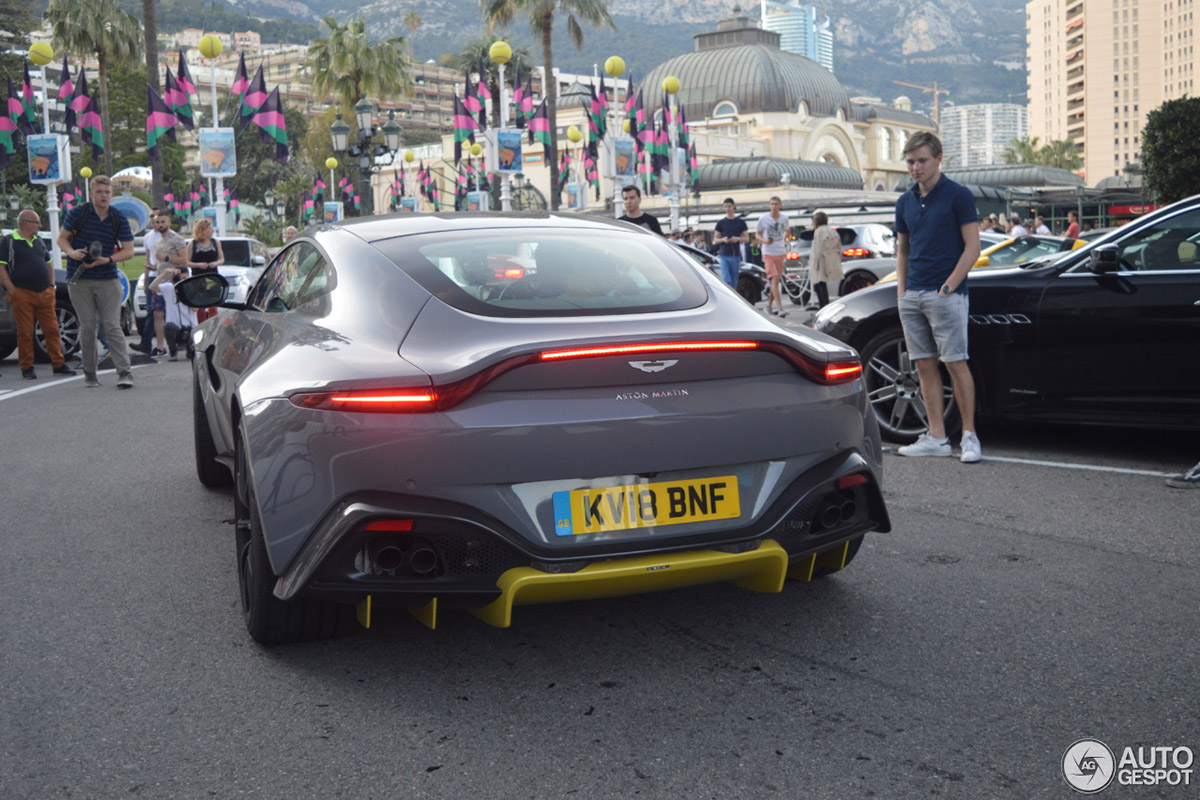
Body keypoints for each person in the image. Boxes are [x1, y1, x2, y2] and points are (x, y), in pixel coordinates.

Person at [893, 132, 983, 463]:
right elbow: (903, 249)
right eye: (910, 162)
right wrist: (902, 292)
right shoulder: (904, 201)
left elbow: (973, 247)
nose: (915, 167)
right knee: (924, 366)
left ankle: (969, 437)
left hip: (946, 295)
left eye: (921, 160)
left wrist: (948, 287)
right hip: (912, 294)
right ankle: (937, 437)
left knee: (956, 363)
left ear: (938, 158)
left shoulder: (958, 195)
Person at [57, 174, 135, 389]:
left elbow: (129, 251)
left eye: (107, 192)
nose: (103, 196)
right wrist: (72, 252)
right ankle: (90, 373)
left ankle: (125, 372)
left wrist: (107, 259)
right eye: (99, 192)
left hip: (108, 278)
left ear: (112, 195)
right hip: (79, 278)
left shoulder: (118, 217)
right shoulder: (78, 213)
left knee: (112, 325)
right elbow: (61, 239)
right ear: (91, 194)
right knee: (88, 326)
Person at [0, 209, 76, 380]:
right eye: (36, 223)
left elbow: (48, 262)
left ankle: (58, 364)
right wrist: (12, 290)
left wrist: (51, 285)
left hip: (44, 293)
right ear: (26, 223)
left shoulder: (38, 241)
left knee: (52, 330)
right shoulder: (9, 241)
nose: (39, 226)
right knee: (25, 332)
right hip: (22, 293)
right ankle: (27, 367)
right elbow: (1, 267)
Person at [130, 210, 175, 356]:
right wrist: (146, 278)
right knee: (152, 311)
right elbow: (148, 259)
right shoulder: (148, 237)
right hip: (153, 278)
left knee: (169, 311)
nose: (157, 221)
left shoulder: (172, 236)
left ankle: (175, 342)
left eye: (161, 219)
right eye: (153, 217)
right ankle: (148, 344)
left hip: (168, 276)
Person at [148, 263, 195, 361]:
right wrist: (165, 273)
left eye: (185, 278)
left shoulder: (192, 288)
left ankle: (190, 351)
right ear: (172, 280)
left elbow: (196, 309)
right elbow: (151, 287)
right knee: (169, 326)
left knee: (194, 334)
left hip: (190, 329)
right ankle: (173, 351)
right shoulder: (168, 288)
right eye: (180, 279)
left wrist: (185, 292)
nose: (182, 281)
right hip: (175, 329)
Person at [185, 218, 224, 323]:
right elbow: (186, 262)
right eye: (210, 229)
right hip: (198, 278)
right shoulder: (192, 244)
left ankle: (213, 326)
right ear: (203, 230)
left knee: (213, 306)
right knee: (200, 307)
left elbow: (222, 259)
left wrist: (215, 263)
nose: (212, 231)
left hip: (213, 277)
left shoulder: (216, 242)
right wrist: (198, 265)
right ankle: (201, 326)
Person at [756, 196, 790, 316]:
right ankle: (780, 308)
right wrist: (764, 240)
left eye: (776, 204)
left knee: (776, 281)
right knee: (774, 278)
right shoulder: (763, 219)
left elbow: (787, 230)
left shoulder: (784, 218)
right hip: (768, 251)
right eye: (771, 204)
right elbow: (757, 234)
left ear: (780, 205)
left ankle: (769, 305)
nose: (774, 206)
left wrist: (784, 237)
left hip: (780, 251)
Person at [809, 211, 843, 310]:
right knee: (823, 285)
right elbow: (839, 247)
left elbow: (818, 248)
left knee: (820, 286)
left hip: (821, 261)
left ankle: (823, 307)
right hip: (830, 259)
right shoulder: (832, 231)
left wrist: (814, 263)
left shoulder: (819, 231)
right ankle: (825, 307)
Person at [713, 198, 748, 288]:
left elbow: (746, 238)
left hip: (735, 255)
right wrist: (723, 240)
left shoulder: (740, 222)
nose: (728, 209)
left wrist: (738, 239)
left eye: (729, 206)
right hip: (724, 254)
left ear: (733, 207)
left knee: (734, 281)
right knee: (726, 280)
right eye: (725, 207)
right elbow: (715, 239)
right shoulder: (721, 223)